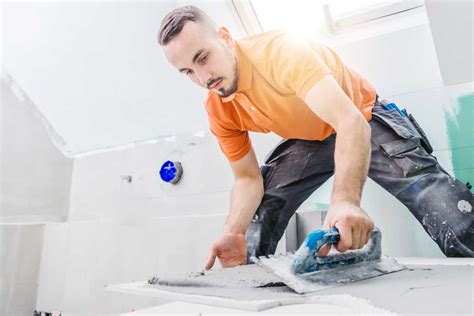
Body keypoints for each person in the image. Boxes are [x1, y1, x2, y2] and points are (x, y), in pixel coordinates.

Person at [158, 6, 474, 269]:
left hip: (362, 115)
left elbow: (349, 122)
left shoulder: (279, 53)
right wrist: (234, 230)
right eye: (187, 71)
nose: (203, 78)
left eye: (203, 58)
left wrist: (345, 202)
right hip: (307, 137)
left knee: (448, 212)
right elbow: (246, 179)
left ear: (225, 37)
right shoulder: (218, 107)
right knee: (251, 232)